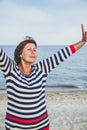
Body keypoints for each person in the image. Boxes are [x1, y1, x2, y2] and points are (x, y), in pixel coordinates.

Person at [0, 24, 87, 130]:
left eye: (35, 50)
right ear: (20, 54)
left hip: (42, 126)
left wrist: (83, 42)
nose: (33, 51)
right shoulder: (10, 69)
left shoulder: (41, 68)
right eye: (29, 49)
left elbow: (62, 54)